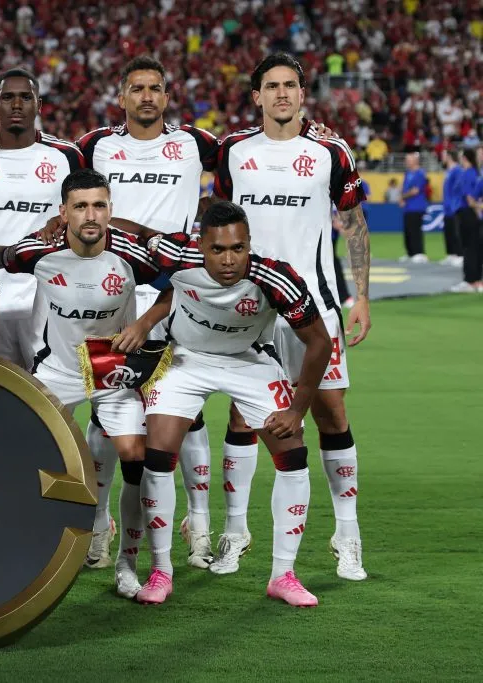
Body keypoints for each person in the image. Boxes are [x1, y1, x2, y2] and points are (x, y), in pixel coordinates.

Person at [212, 53, 371, 581]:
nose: (282, 94)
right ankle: (234, 534)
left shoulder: (330, 150)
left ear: (303, 94)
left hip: (314, 307)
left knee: (329, 414)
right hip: (249, 307)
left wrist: (362, 297)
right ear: (255, 96)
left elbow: (352, 224)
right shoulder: (234, 151)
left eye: (291, 86)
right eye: (271, 86)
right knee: (242, 418)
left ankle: (347, 536)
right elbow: (221, 226)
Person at [133, 202, 331, 606]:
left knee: (292, 454)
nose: (228, 260)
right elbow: (125, 229)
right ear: (200, 246)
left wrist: (297, 410)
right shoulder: (177, 254)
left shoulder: (276, 278)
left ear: (249, 245)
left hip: (249, 360)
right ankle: (160, 571)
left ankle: (283, 575)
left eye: (238, 249)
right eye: (218, 250)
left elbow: (320, 341)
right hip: (186, 359)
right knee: (157, 452)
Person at [75, 56, 222, 571]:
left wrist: (311, 130)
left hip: (171, 294)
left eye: (155, 88)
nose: (146, 96)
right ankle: (98, 525)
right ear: (121, 95)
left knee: (186, 409)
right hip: (110, 294)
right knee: (105, 407)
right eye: (136, 87)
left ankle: (198, 522)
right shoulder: (94, 145)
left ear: (167, 95)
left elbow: (257, 148)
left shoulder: (197, 145)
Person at [2, 169, 168, 602]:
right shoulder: (40, 253)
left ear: (110, 210)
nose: (90, 215)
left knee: (135, 455)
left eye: (99, 205)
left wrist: (145, 324)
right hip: (56, 370)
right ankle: (29, 549)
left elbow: (179, 282)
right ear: (64, 212)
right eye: (80, 206)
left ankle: (127, 564)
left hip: (111, 370)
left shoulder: (132, 255)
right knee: (26, 452)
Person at [0, 68, 83, 369]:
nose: (16, 105)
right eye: (7, 97)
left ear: (39, 104)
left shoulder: (66, 156)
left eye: (25, 97)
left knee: (49, 390)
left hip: (47, 294)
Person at [451, 149, 482, 292]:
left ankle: (469, 280)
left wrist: (477, 208)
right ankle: (476, 279)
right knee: (474, 247)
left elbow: (469, 198)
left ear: (464, 157)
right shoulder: (475, 173)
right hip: (472, 214)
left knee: (468, 247)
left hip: (465, 213)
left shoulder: (466, 174)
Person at [399, 152, 429, 263]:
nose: (406, 162)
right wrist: (402, 198)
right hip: (408, 207)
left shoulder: (420, 173)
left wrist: (403, 196)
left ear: (415, 160)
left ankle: (419, 253)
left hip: (417, 206)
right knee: (408, 230)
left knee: (415, 230)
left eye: (408, 160)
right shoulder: (407, 173)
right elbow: (404, 188)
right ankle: (410, 252)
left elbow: (415, 191)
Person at [440, 150, 464, 268]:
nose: (441, 157)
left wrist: (455, 204)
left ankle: (460, 255)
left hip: (454, 206)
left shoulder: (457, 170)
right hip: (447, 206)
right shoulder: (448, 171)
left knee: (456, 231)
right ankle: (451, 254)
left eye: (443, 155)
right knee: (448, 231)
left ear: (449, 156)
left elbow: (458, 189)